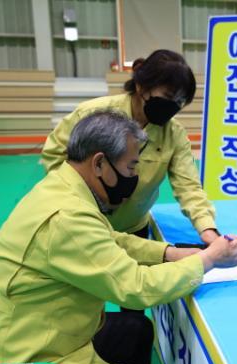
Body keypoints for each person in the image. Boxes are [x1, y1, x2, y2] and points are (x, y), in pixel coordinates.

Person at [0, 111, 237, 364]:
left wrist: (169, 252)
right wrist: (208, 260)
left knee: (136, 330)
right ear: (99, 163)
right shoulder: (67, 217)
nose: (134, 177)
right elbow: (136, 287)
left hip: (46, 333)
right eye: (130, 167)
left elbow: (110, 240)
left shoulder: (64, 187)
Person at [42, 49, 220, 245]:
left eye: (179, 101)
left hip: (133, 228)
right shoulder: (92, 114)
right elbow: (54, 156)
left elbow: (189, 186)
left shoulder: (174, 134)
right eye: (168, 96)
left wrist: (208, 229)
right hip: (85, 224)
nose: (173, 106)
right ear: (141, 86)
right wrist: (82, 198)